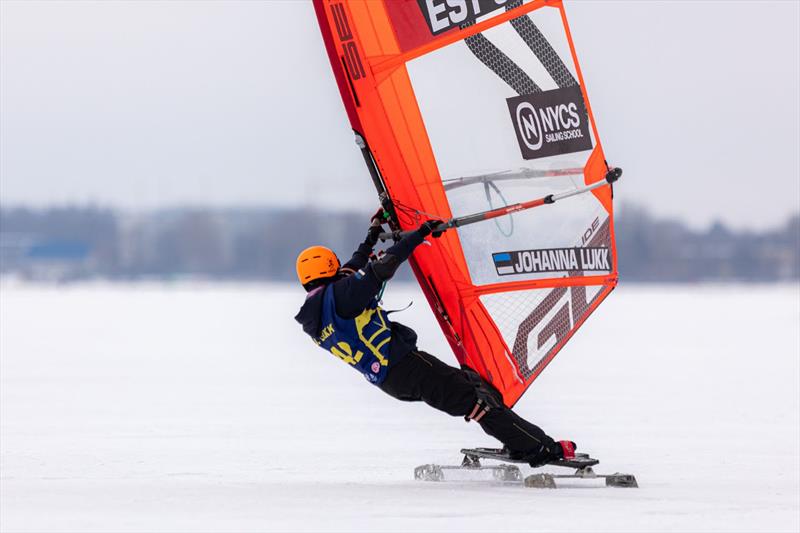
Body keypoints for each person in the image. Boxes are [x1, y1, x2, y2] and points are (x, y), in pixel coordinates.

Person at [293, 215, 575, 466]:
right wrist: (421, 233)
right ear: (330, 268)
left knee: (474, 386)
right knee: (479, 402)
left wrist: (371, 236)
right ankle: (541, 448)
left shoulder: (317, 312)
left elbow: (354, 270)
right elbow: (384, 265)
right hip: (407, 366)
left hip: (392, 381)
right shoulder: (343, 294)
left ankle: (518, 440)